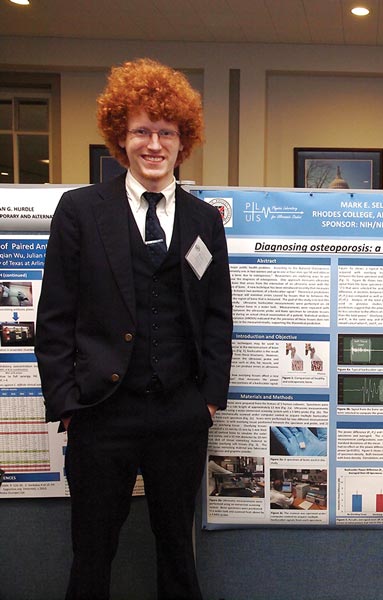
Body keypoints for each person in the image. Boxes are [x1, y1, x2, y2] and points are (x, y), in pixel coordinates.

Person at [35, 58, 233, 600]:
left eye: (165, 132)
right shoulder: (79, 211)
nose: (154, 143)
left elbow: (218, 315)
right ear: (119, 139)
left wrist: (208, 400)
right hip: (102, 414)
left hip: (180, 415)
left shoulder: (202, 221)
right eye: (141, 131)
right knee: (92, 554)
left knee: (176, 552)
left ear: (182, 141)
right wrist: (68, 405)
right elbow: (54, 318)